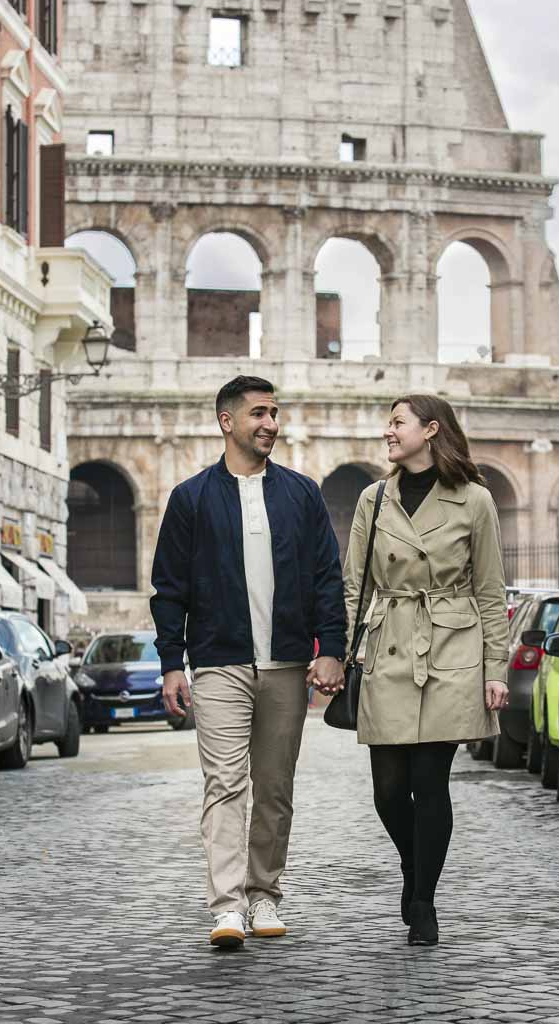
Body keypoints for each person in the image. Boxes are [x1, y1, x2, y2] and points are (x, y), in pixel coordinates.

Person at [150, 375, 346, 948]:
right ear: (227, 421)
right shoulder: (190, 498)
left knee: (275, 787)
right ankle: (227, 906)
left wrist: (329, 648)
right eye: (259, 413)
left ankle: (264, 894)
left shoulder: (303, 494)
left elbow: (325, 577)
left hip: (287, 663)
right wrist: (170, 664)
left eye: (275, 413)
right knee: (224, 784)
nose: (270, 424)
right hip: (218, 662)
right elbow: (169, 588)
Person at [342, 394, 509, 947]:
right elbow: (355, 587)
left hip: (452, 648)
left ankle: (424, 900)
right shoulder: (374, 498)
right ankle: (415, 869)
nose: (388, 432)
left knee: (429, 781)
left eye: (398, 423)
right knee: (388, 790)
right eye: (388, 423)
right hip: (389, 642)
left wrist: (496, 669)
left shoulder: (475, 500)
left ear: (430, 430)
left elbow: (490, 591)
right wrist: (340, 654)